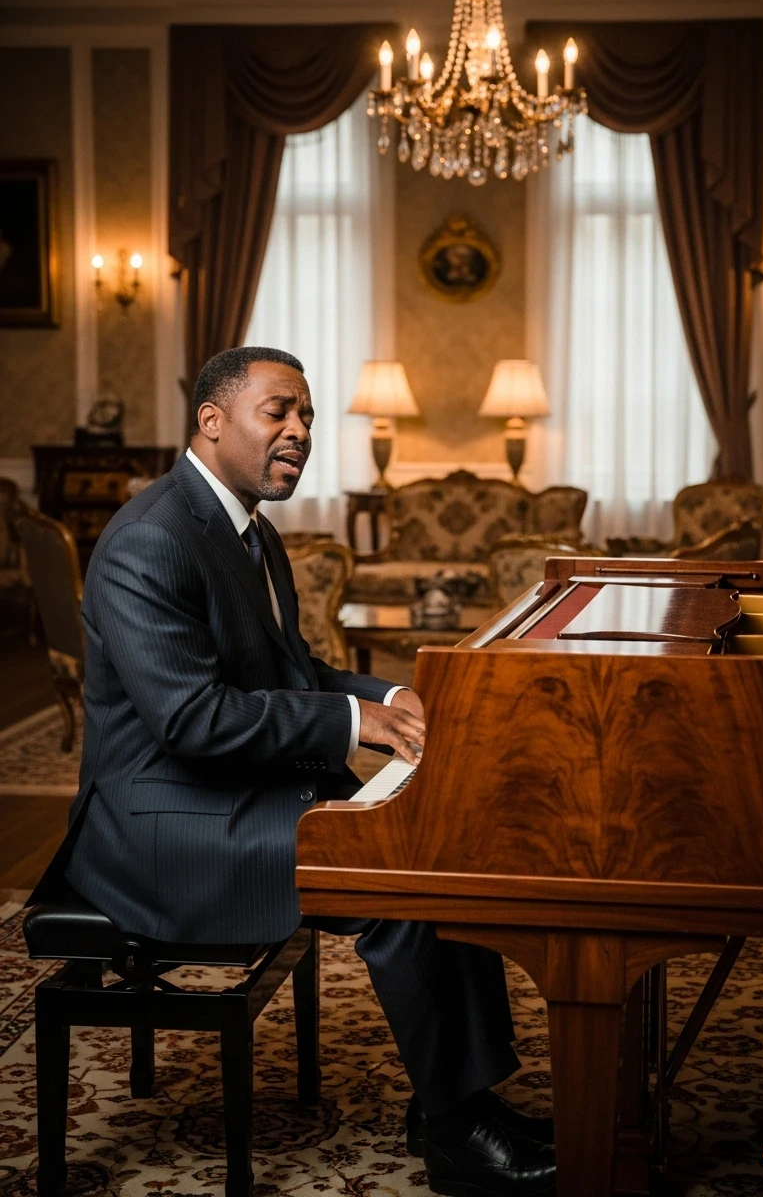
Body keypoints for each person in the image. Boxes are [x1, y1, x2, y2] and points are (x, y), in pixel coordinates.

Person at [31, 346, 555, 1197]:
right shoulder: (148, 540)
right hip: (158, 828)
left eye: (305, 415)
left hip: (229, 794)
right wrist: (355, 722)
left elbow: (290, 671)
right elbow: (191, 720)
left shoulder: (252, 531)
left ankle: (456, 1103)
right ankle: (460, 1133)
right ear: (211, 421)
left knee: (437, 845)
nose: (300, 430)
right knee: (393, 876)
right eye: (278, 411)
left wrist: (391, 695)